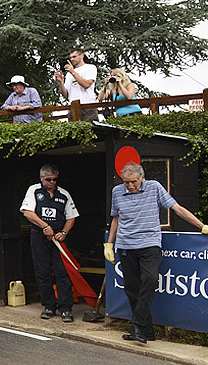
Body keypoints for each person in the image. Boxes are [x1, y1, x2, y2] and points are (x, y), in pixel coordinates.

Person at [106, 162, 208, 343]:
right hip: (126, 245)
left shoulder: (154, 187)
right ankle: (147, 331)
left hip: (149, 244)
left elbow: (176, 209)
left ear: (142, 178)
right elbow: (116, 218)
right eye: (126, 182)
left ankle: (137, 326)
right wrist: (109, 244)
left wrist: (201, 226)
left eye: (133, 182)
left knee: (150, 279)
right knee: (131, 288)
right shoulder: (117, 192)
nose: (130, 186)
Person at [19, 164, 78, 322]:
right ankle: (49, 306)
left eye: (54, 179)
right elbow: (27, 212)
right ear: (41, 178)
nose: (52, 182)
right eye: (48, 179)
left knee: (62, 273)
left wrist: (64, 232)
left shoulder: (63, 194)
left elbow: (72, 216)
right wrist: (44, 226)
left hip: (58, 239)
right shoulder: (34, 190)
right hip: (39, 236)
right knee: (42, 272)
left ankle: (65, 308)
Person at [55, 48, 98, 121]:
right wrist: (61, 82)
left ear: (82, 56)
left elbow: (86, 85)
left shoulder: (90, 68)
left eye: (74, 57)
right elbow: (65, 94)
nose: (72, 59)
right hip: (73, 107)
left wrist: (73, 72)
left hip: (88, 106)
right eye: (71, 57)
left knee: (90, 130)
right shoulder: (69, 74)